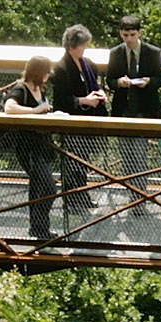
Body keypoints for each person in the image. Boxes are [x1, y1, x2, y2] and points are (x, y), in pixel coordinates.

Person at [0, 53, 64, 243]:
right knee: (49, 188)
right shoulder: (21, 89)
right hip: (28, 147)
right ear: (37, 72)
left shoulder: (39, 90)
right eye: (46, 72)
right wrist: (35, 111)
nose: (48, 76)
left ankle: (39, 229)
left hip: (43, 145)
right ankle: (39, 227)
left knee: (37, 188)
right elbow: (9, 108)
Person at [48, 24, 107, 219]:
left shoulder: (88, 63)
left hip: (89, 120)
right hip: (71, 121)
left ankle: (82, 195)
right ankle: (71, 200)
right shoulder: (61, 68)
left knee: (84, 161)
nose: (84, 49)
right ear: (72, 46)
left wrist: (99, 95)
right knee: (72, 163)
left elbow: (95, 85)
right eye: (82, 45)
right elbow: (61, 100)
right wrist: (83, 100)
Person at [106, 13, 161, 189]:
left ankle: (140, 193)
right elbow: (109, 80)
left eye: (132, 35)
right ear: (120, 34)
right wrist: (119, 82)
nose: (129, 39)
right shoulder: (116, 53)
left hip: (144, 110)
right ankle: (131, 192)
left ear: (139, 33)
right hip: (123, 110)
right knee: (126, 155)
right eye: (125, 35)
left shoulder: (152, 52)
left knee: (140, 154)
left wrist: (148, 81)